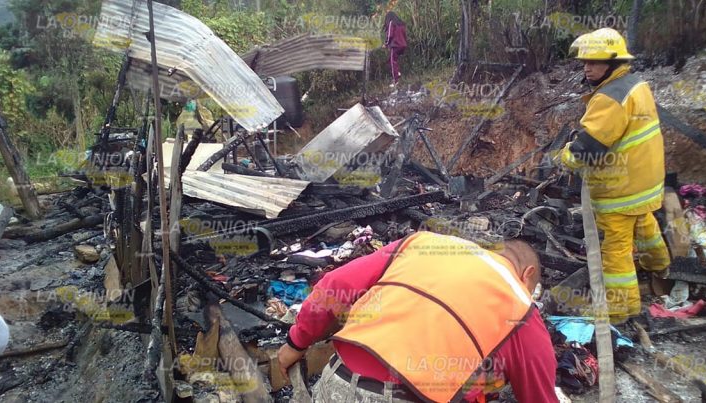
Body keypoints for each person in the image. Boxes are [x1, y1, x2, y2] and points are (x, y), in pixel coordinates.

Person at [277, 231, 557, 402]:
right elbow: (539, 395)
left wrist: (295, 344)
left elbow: (334, 286)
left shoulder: (421, 243)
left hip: (335, 383)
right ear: (527, 274)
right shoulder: (521, 307)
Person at [558, 28, 671, 323]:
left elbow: (588, 148)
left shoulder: (610, 97)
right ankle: (661, 267)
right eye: (585, 62)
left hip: (620, 188)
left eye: (594, 62)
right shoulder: (635, 84)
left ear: (613, 62)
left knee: (616, 249)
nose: (587, 68)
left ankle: (621, 309)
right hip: (646, 182)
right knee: (645, 224)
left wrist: (565, 157)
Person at [383, 12, 407, 88]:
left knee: (392, 62)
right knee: (392, 60)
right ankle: (398, 73)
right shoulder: (401, 24)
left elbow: (390, 35)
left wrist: (386, 44)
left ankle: (395, 81)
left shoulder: (391, 23)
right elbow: (404, 35)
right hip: (403, 45)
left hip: (395, 45)